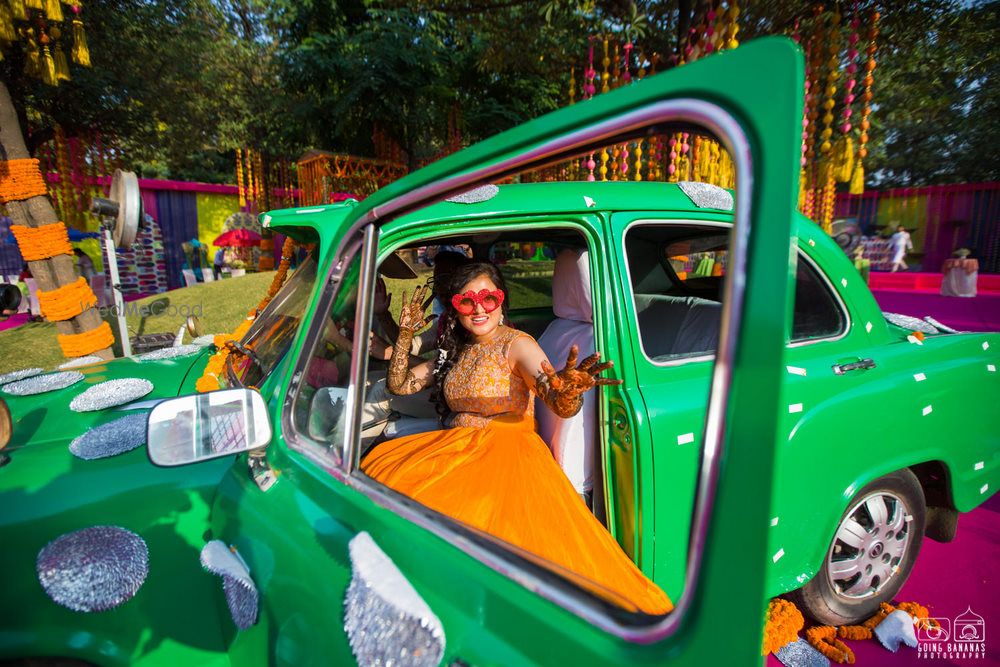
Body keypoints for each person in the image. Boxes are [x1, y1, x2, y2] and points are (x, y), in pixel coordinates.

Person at [362, 261, 673, 615]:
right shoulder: (458, 349)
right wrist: (402, 336)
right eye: (467, 301)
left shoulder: (517, 344)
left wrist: (567, 390)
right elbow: (400, 384)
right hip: (457, 447)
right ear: (456, 308)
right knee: (385, 480)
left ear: (501, 300)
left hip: (505, 454)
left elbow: (551, 393)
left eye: (488, 298)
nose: (479, 308)